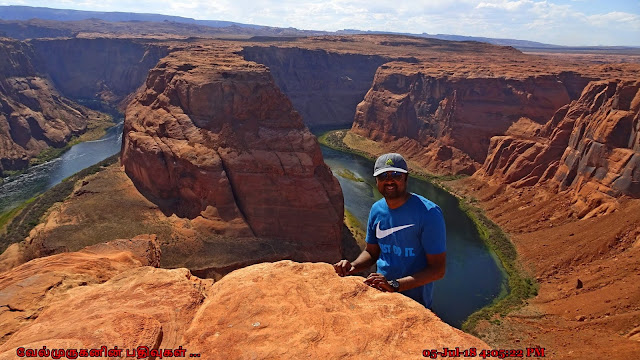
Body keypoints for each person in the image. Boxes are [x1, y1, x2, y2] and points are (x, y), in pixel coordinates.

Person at [333, 153, 446, 309]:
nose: (389, 180)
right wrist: (352, 267)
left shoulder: (429, 213)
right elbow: (372, 252)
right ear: (377, 181)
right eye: (383, 176)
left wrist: (395, 285)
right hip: (382, 294)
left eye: (396, 174)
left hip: (415, 303)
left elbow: (437, 270)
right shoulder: (376, 210)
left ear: (406, 177)